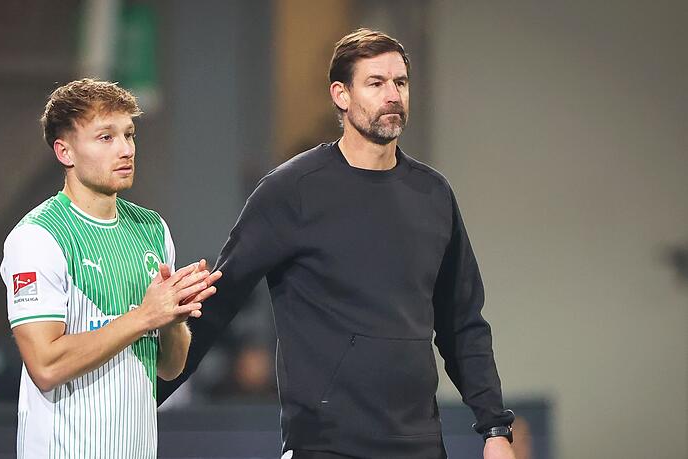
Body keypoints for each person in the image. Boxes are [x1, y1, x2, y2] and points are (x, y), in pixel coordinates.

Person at [158, 29, 515, 459]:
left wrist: (494, 428)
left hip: (418, 442)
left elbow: (462, 323)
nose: (393, 96)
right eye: (376, 83)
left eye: (400, 83)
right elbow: (221, 299)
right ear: (341, 95)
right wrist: (147, 397)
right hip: (324, 444)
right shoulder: (292, 190)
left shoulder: (433, 195)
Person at [0, 79, 220, 459]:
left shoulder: (152, 229)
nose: (125, 149)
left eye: (129, 135)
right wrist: (145, 316)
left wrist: (172, 315)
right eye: (105, 137)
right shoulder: (36, 238)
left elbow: (170, 368)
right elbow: (46, 366)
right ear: (65, 151)